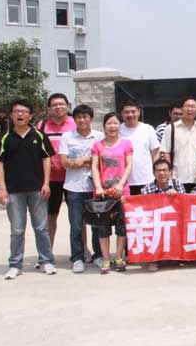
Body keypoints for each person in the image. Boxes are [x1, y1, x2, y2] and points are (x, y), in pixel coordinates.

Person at [0, 100, 57, 279]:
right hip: (13, 191)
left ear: (30, 116)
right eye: (16, 111)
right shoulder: (5, 137)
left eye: (23, 111)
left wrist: (46, 183)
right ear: (11, 115)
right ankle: (15, 264)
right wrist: (2, 188)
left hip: (37, 190)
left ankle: (46, 261)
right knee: (17, 229)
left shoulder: (39, 135)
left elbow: (46, 159)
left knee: (41, 228)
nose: (20, 114)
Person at [59, 105, 104, 273]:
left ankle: (98, 255)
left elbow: (103, 159)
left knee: (97, 224)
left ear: (91, 119)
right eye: (78, 117)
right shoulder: (67, 137)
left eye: (85, 117)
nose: (82, 120)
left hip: (95, 186)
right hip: (74, 187)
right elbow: (64, 162)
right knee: (76, 225)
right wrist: (88, 161)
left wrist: (83, 160)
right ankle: (77, 258)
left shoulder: (99, 136)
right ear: (74, 119)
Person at [91, 112, 133, 274]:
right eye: (109, 123)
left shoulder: (126, 144)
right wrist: (98, 187)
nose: (112, 126)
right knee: (103, 227)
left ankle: (119, 257)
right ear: (104, 126)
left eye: (115, 123)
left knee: (122, 226)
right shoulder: (98, 145)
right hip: (103, 193)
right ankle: (106, 259)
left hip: (122, 192)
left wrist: (121, 185)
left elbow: (129, 165)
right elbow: (94, 167)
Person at [37, 93, 76, 254]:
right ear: (49, 108)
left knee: (77, 218)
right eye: (54, 104)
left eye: (61, 104)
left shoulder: (75, 123)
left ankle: (81, 251)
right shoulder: (42, 126)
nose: (58, 107)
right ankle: (47, 253)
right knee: (50, 216)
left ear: (67, 105)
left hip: (73, 178)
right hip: (51, 179)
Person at [140, 158, 185, 272]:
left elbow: (184, 207)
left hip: (173, 221)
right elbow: (143, 210)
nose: (162, 173)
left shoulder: (177, 185)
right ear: (153, 173)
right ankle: (154, 259)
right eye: (158, 171)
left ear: (170, 172)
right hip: (155, 222)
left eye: (164, 170)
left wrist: (177, 196)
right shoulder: (146, 189)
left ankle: (176, 256)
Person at [159, 97, 196, 192]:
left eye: (193, 107)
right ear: (181, 109)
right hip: (177, 178)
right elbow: (166, 152)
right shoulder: (171, 129)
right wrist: (170, 173)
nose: (190, 109)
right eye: (187, 106)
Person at [119, 99, 160, 196]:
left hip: (146, 179)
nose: (130, 115)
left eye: (133, 111)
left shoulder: (148, 129)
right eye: (126, 112)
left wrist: (156, 173)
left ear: (139, 112)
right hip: (123, 182)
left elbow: (155, 153)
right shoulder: (117, 129)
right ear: (122, 114)